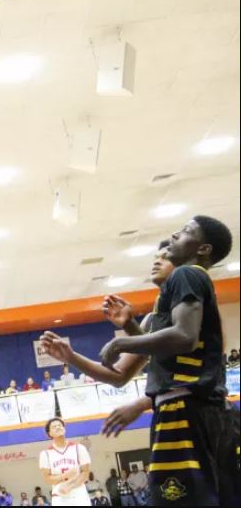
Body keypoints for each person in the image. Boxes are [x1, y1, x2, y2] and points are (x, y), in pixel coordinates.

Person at [96, 216, 238, 506]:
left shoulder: (187, 275)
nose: (175, 234)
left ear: (204, 248)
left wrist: (123, 341)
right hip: (201, 410)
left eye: (186, 231)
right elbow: (170, 352)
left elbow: (184, 337)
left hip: (184, 409)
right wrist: (132, 329)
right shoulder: (183, 288)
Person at [41, 240, 174, 438]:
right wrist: (71, 358)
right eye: (156, 258)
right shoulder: (152, 319)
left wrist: (141, 403)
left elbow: (195, 372)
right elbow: (119, 375)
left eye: (165, 258)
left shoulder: (195, 310)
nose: (157, 262)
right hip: (166, 416)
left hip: (200, 413)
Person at [38, 418, 91, 506]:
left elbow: (85, 473)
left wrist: (70, 486)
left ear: (64, 429)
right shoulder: (45, 454)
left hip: (79, 493)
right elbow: (47, 479)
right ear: (49, 433)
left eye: (60, 425)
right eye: (54, 426)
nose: (58, 427)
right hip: (59, 495)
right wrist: (66, 475)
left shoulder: (79, 448)